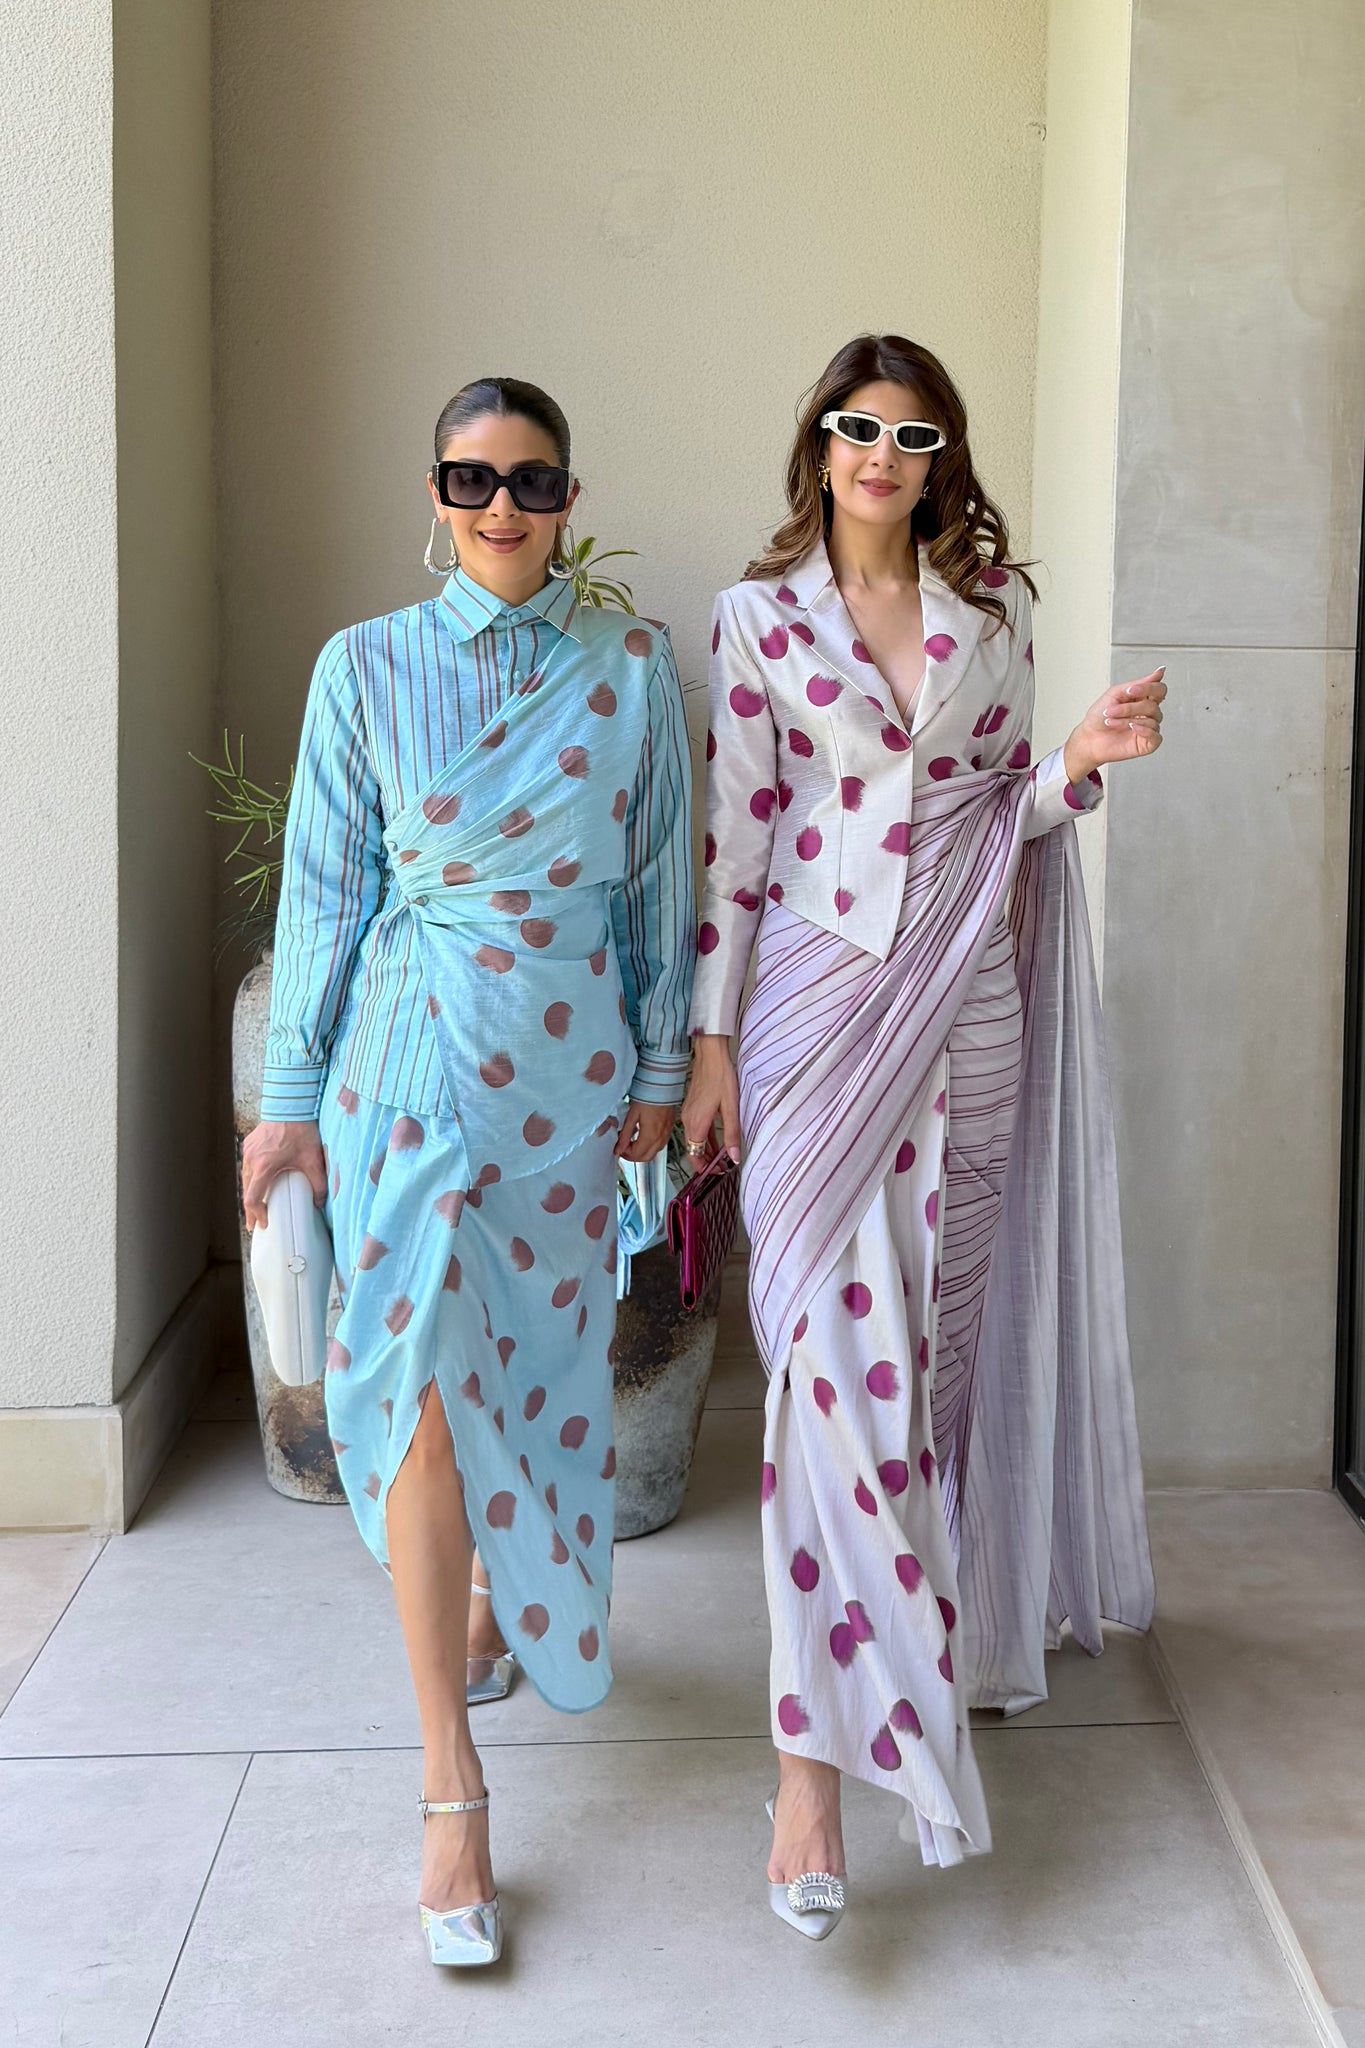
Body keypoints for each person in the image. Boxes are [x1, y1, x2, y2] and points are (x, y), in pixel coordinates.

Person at [682, 333, 1162, 1938]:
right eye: (855, 427)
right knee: (826, 1380)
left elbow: (1001, 810)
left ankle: (909, 1667)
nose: (881, 455)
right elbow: (737, 844)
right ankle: (811, 1776)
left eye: (912, 433)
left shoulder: (989, 612)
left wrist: (1074, 765)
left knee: (921, 1382)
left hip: (969, 1019)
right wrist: (709, 1044)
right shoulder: (757, 618)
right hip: (813, 1019)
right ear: (817, 445)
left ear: (940, 455)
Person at [241, 378, 695, 1967]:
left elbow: (659, 882)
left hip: (567, 1074)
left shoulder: (633, 666)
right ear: (433, 495)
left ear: (569, 496)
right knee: (424, 1383)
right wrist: (289, 1100)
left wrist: (659, 1072)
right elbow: (323, 888)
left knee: (538, 1366)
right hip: (410, 1059)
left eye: (531, 480)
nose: (501, 506)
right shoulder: (361, 665)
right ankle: (451, 1784)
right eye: (471, 477)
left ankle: (500, 1600)